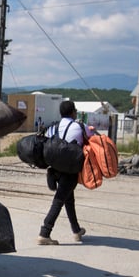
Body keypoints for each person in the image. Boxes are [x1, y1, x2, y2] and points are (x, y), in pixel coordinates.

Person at [38, 100, 92, 245]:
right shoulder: (80, 126)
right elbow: (92, 138)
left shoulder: (53, 127)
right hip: (70, 170)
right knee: (59, 200)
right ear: (73, 112)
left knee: (69, 199)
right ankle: (45, 233)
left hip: (55, 168)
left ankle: (76, 230)